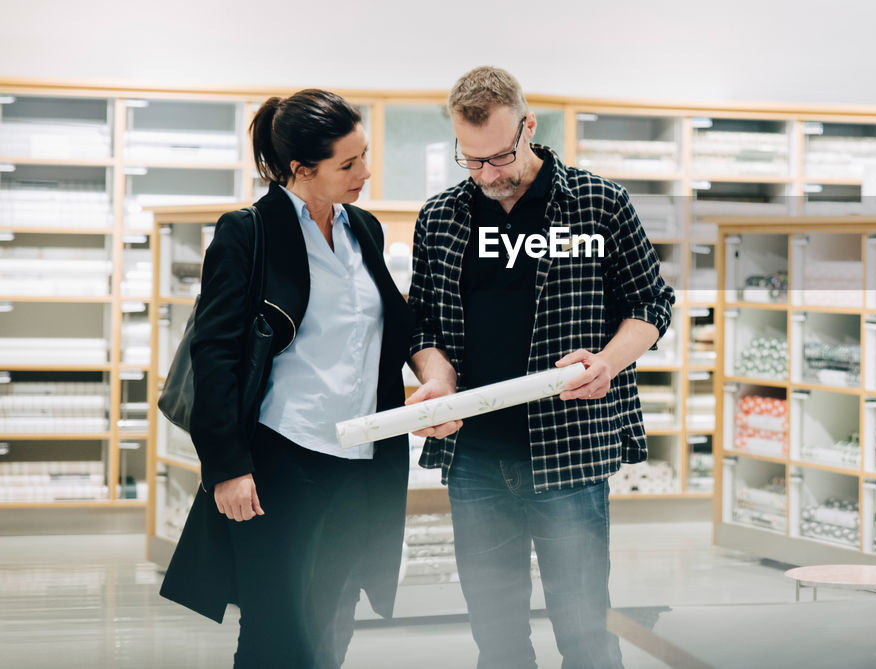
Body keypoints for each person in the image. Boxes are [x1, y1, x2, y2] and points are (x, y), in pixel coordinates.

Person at [159, 89, 459, 668]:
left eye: (364, 155)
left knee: (334, 621)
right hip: (281, 462)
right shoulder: (249, 232)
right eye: (348, 164)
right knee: (278, 629)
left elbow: (397, 330)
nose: (365, 173)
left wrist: (433, 383)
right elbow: (216, 353)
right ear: (301, 170)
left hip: (360, 462)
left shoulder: (363, 231)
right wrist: (228, 467)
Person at [406, 65, 675, 668]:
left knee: (584, 632)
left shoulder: (599, 204)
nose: (488, 175)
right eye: (470, 161)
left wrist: (607, 362)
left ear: (529, 126)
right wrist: (438, 380)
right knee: (495, 637)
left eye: (500, 157)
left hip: (570, 451)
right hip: (474, 458)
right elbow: (420, 324)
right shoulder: (442, 217)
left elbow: (651, 304)